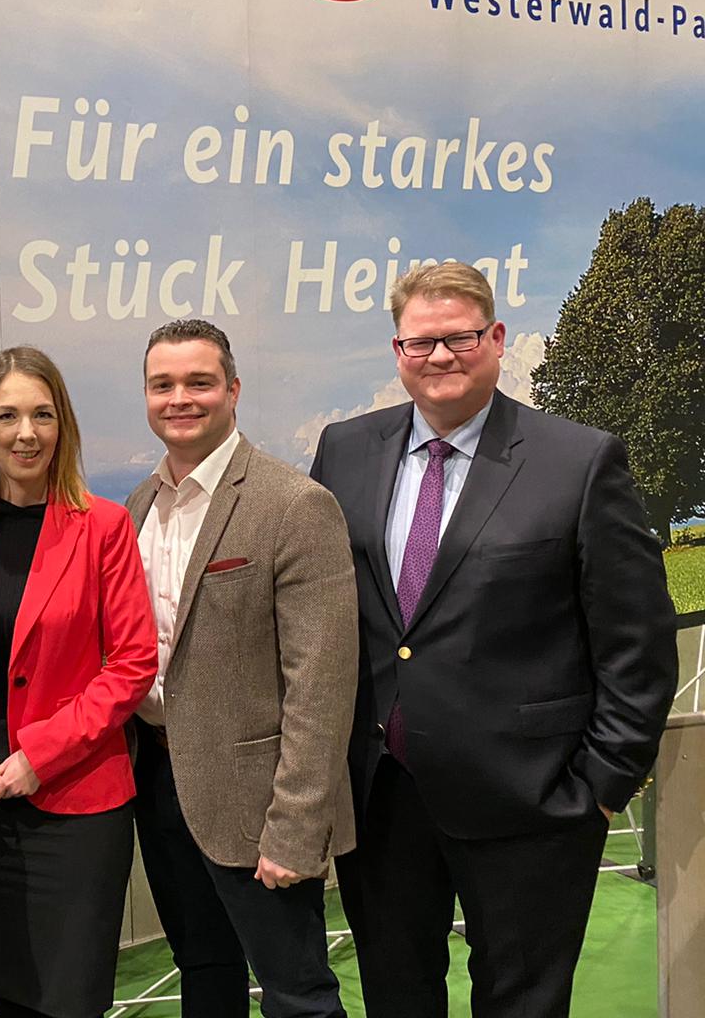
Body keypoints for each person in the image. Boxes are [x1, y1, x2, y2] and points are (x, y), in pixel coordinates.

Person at [309, 262, 677, 1018]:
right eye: (421, 342)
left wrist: (600, 786)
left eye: (461, 337)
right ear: (398, 350)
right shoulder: (344, 451)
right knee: (396, 999)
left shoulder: (578, 461)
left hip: (531, 800)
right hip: (381, 795)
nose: (440, 356)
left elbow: (636, 641)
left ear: (498, 338)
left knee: (521, 1004)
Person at [124, 320, 357, 1018]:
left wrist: (296, 826)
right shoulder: (138, 506)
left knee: (298, 995)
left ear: (232, 389)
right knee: (204, 972)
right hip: (158, 782)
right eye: (163, 384)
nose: (180, 398)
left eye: (198, 382)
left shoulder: (294, 504)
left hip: (259, 804)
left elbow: (321, 685)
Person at [0, 345, 157, 1018]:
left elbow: (132, 662)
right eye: (7, 416)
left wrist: (41, 755)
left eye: (42, 414)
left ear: (62, 424)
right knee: (10, 992)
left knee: (70, 998)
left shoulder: (103, 526)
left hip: (77, 805)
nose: (26, 433)